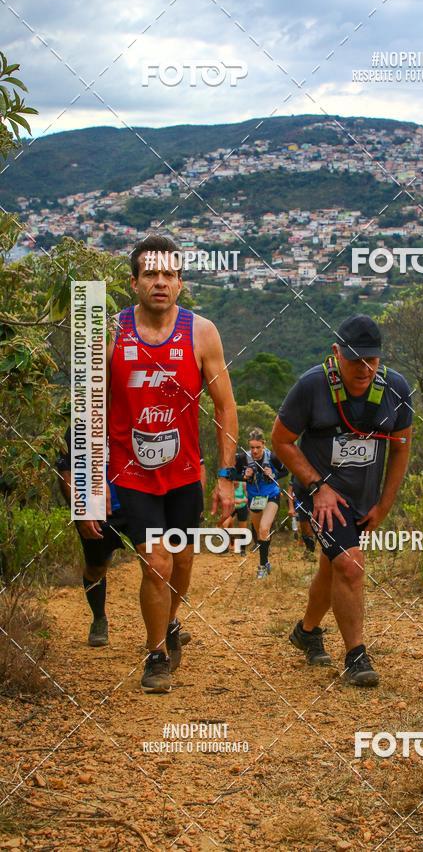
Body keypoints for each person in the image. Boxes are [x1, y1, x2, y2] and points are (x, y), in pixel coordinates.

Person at [107, 235, 237, 693]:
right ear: (134, 282)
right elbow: (89, 407)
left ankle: (173, 619)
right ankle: (156, 653)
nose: (159, 282)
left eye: (168, 275)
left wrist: (226, 477)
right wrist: (88, 482)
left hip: (184, 474)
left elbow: (225, 406)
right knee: (155, 563)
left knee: (182, 561)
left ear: (180, 282)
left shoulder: (201, 333)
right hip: (131, 471)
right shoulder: (111, 331)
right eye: (150, 274)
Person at [272, 314, 412, 687]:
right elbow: (281, 440)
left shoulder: (396, 389)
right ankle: (356, 656)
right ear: (336, 353)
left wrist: (384, 504)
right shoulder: (311, 386)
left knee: (332, 566)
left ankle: (306, 631)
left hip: (362, 498)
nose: (364, 368)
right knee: (350, 564)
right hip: (320, 495)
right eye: (354, 360)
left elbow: (401, 449)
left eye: (372, 359)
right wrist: (318, 485)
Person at [56, 429, 193, 651]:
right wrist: (81, 510)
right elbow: (67, 473)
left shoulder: (138, 417)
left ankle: (163, 630)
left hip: (140, 506)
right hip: (99, 512)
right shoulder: (82, 426)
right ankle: (99, 618)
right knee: (96, 568)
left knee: (155, 564)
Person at [234, 428, 288, 579]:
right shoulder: (243, 458)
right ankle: (267, 562)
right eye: (252, 447)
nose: (255, 451)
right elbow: (232, 474)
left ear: (263, 445)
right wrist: (244, 476)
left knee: (264, 529)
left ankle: (262, 566)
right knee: (260, 534)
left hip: (271, 496)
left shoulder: (273, 457)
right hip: (254, 499)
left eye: (258, 447)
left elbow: (286, 471)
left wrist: (273, 474)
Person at [222, 480, 248, 554]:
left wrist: (242, 500)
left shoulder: (243, 484)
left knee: (242, 529)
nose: (235, 481)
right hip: (231, 508)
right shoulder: (228, 486)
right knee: (225, 524)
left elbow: (247, 499)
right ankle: (226, 547)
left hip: (242, 508)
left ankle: (242, 549)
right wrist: (238, 500)